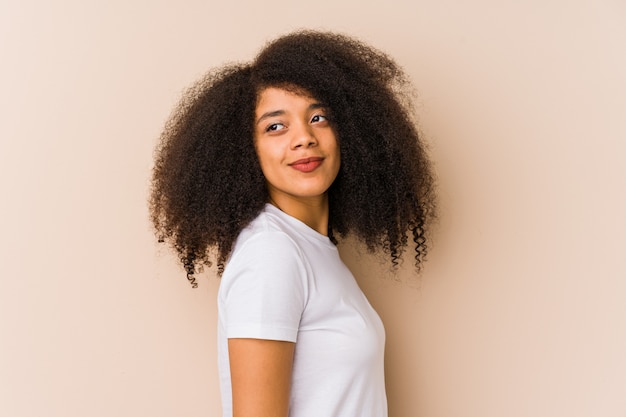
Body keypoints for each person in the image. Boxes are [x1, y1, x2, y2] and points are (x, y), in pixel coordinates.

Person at [150, 30, 436, 417]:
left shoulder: (311, 248)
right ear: (244, 150)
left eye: (318, 117)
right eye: (275, 126)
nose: (304, 138)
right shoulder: (272, 254)